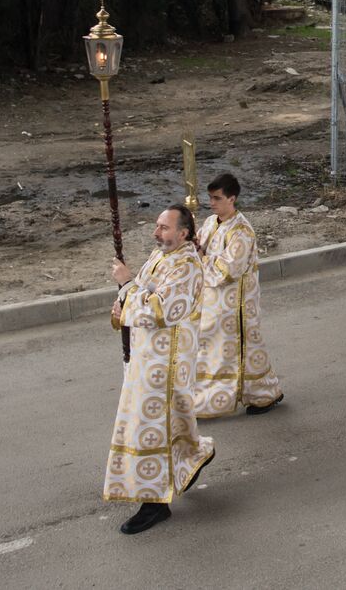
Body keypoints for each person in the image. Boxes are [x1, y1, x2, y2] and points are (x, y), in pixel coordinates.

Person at [105, 205, 216, 534]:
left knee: (150, 429)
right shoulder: (159, 257)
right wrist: (124, 300)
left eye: (164, 228)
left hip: (166, 365)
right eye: (157, 226)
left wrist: (127, 287)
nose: (157, 233)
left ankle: (155, 504)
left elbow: (161, 310)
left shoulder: (187, 265)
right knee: (174, 422)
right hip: (146, 358)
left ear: (183, 233)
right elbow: (138, 295)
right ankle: (193, 456)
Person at [192, 173, 284, 418]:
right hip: (215, 300)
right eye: (210, 198)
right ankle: (265, 393)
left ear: (232, 199)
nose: (211, 203)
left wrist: (202, 258)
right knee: (238, 350)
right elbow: (200, 246)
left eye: (217, 198)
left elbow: (229, 269)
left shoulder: (241, 231)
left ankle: (213, 401)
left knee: (234, 350)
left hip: (237, 303)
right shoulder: (212, 222)